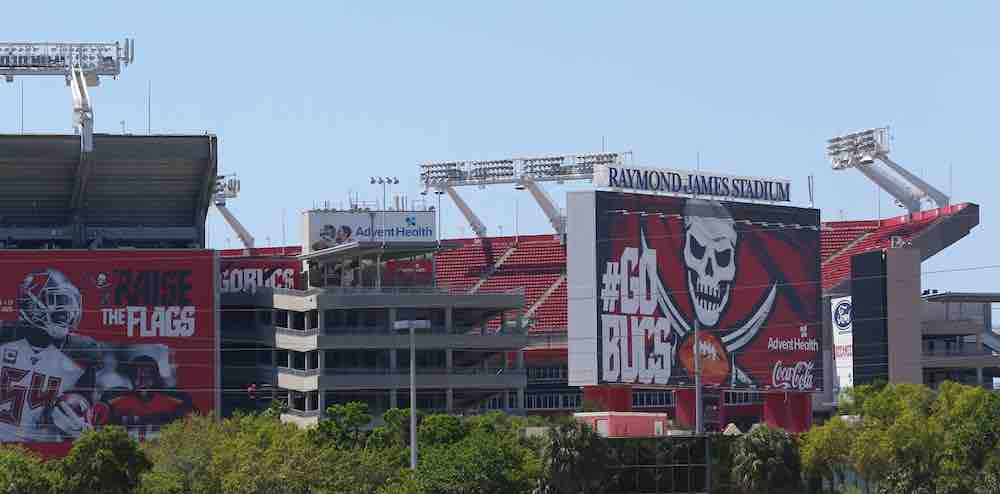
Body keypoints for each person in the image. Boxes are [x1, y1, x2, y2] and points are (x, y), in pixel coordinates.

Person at [0, 269, 103, 441]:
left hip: (40, 446)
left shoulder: (79, 352)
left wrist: (75, 412)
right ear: (31, 303)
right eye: (57, 301)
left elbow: (81, 402)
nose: (65, 311)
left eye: (66, 302)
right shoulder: (5, 338)